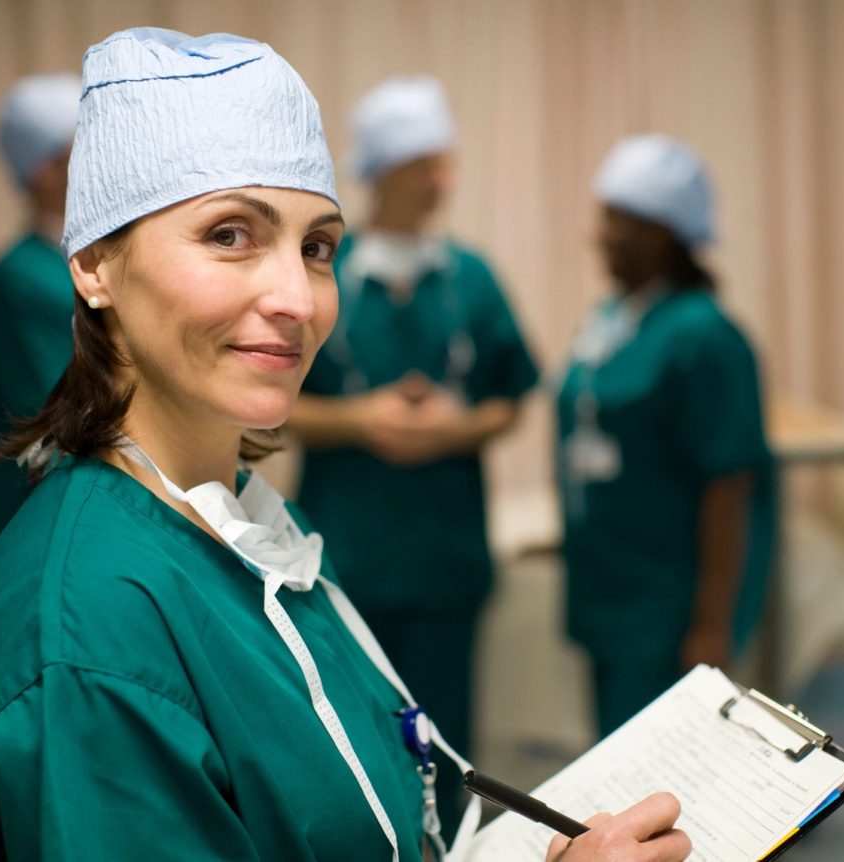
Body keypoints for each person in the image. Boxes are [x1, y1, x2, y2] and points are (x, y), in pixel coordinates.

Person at [0, 29, 690, 862]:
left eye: (316, 247)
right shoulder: (89, 648)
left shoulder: (248, 539)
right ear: (96, 263)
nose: (299, 298)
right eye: (229, 235)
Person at [290, 76, 539, 837]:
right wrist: (361, 420)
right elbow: (274, 400)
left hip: (443, 554)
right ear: (380, 172)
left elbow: (510, 393)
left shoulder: (472, 277)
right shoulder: (321, 272)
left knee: (445, 737)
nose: (440, 181)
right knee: (351, 735)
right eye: (421, 165)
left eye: (444, 163)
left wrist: (453, 431)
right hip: (348, 546)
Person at [556, 134, 777, 739]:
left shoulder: (705, 338)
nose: (599, 235)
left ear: (661, 232)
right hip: (610, 592)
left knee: (664, 773)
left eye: (615, 220)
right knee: (614, 756)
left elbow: (729, 484)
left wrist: (712, 622)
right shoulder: (613, 321)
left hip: (666, 606)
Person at [0, 73, 82, 543]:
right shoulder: (19, 282)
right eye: (87, 146)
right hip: (49, 523)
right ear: (45, 170)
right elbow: (61, 421)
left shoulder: (75, 263)